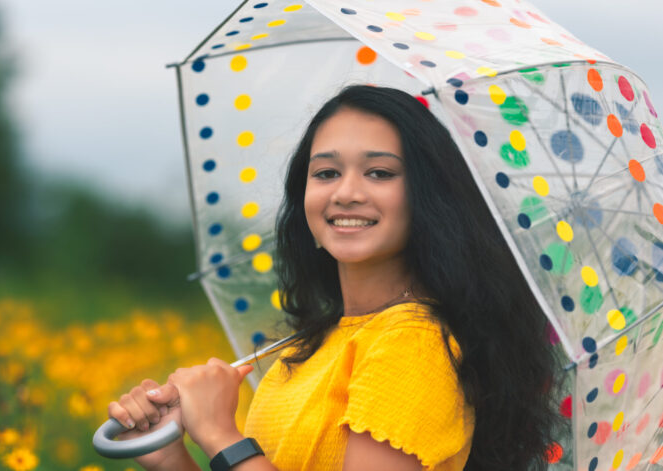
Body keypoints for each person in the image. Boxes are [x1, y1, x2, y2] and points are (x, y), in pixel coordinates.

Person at [107, 85, 563, 470]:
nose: (346, 193)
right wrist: (170, 456)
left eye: (379, 173)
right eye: (325, 172)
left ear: (428, 197)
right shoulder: (315, 344)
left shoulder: (411, 346)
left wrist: (220, 434)